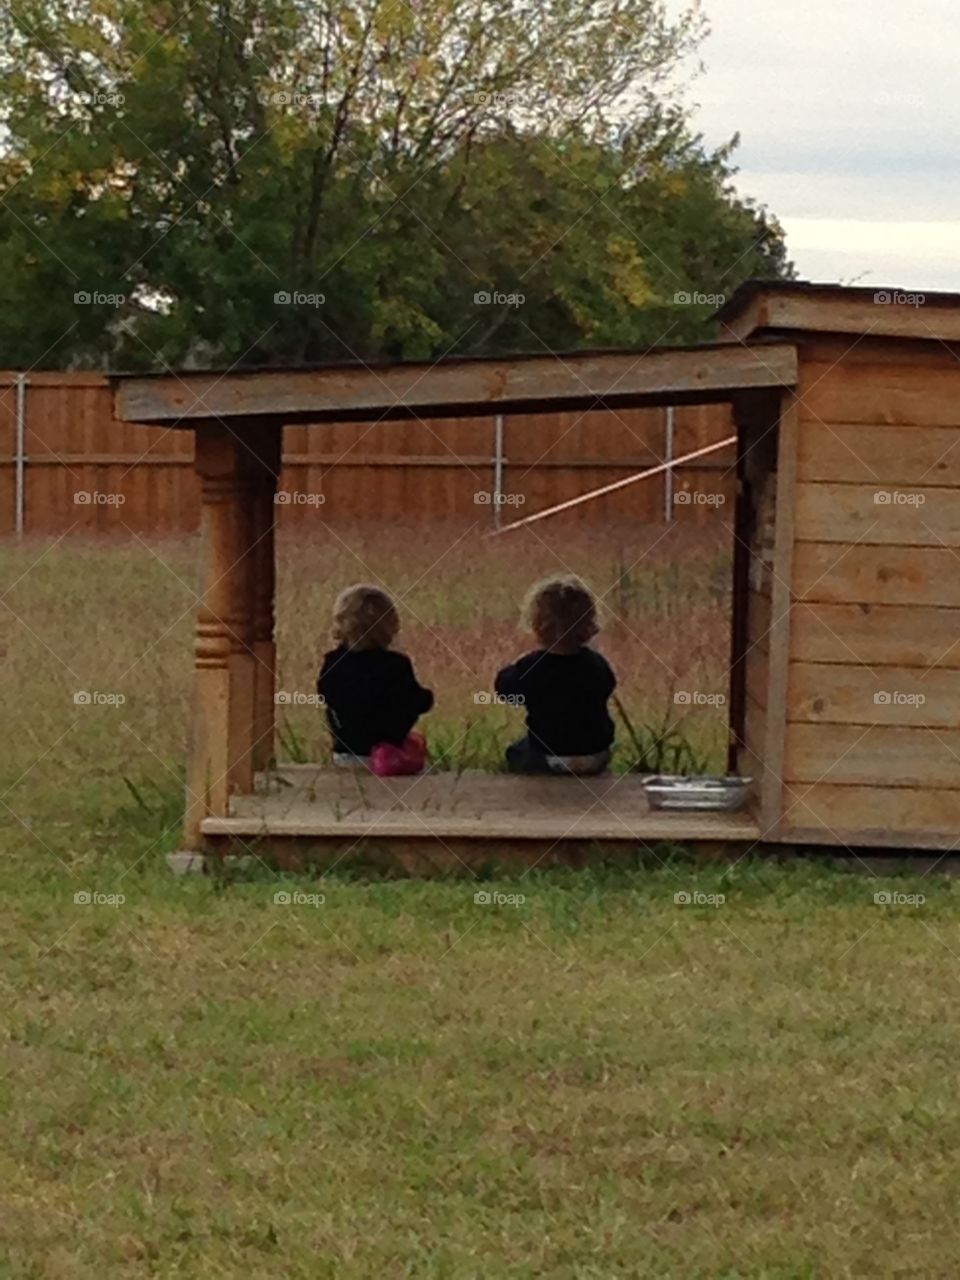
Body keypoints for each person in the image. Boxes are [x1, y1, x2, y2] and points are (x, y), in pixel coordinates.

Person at [494, 575, 616, 775]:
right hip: (596, 755)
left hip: (549, 755)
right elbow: (608, 686)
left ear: (537, 624)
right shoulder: (596, 664)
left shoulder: (531, 667)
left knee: (515, 751)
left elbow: (505, 690)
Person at [317, 584, 433, 776]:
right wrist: (427, 698)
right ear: (390, 627)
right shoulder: (396, 665)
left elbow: (325, 695)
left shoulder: (332, 662)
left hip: (344, 753)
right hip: (387, 754)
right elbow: (414, 701)